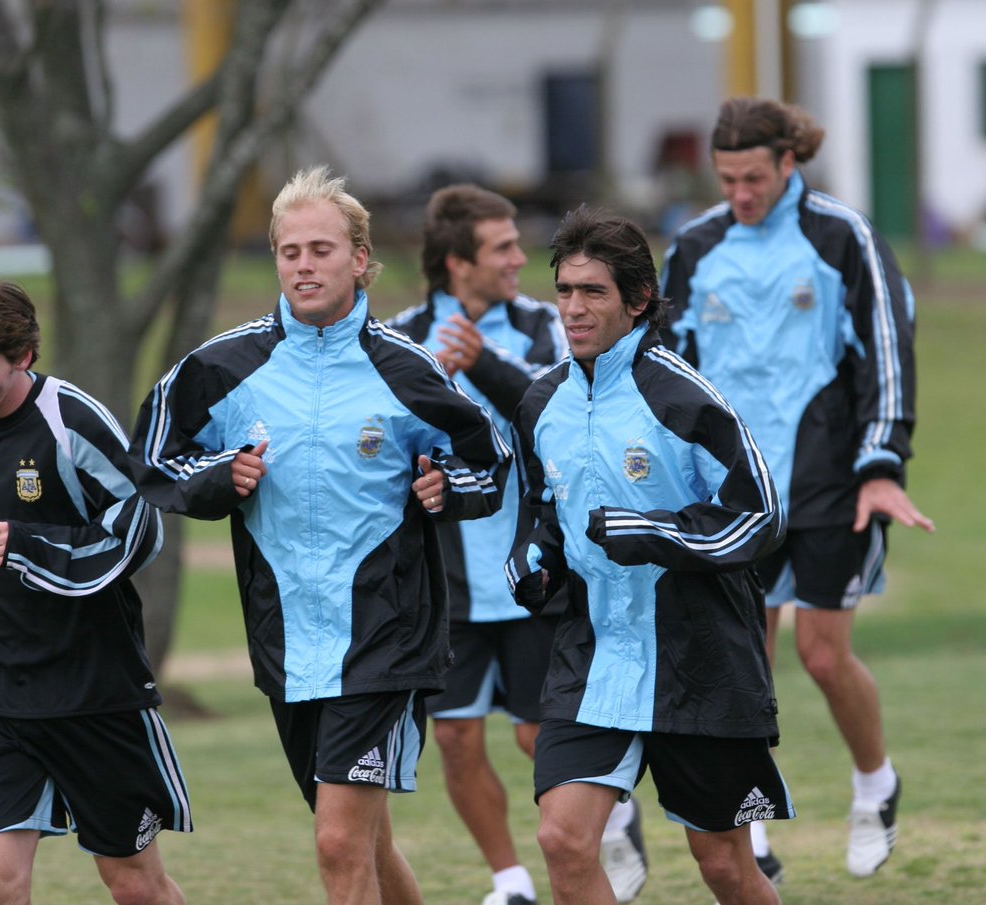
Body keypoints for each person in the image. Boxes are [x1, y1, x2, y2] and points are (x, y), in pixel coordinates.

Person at [129, 165, 512, 905]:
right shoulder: (221, 366)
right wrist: (219, 479)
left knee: (339, 842)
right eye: (290, 250)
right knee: (365, 840)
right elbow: (149, 458)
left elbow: (486, 463)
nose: (304, 265)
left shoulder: (407, 369)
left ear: (361, 260)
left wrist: (444, 489)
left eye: (322, 249)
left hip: (385, 636)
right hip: (285, 638)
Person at [660, 97, 935, 881]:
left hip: (829, 483)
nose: (741, 192)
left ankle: (875, 783)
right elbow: (665, 370)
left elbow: (888, 346)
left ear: (789, 164)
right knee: (744, 666)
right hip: (736, 492)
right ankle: (751, 834)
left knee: (820, 655)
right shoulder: (695, 247)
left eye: (754, 176)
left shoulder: (841, 238)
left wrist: (882, 463)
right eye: (727, 178)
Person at [505, 207, 793, 905]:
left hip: (698, 656)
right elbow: (542, 509)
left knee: (725, 866)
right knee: (563, 839)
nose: (573, 307)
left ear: (637, 301)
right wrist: (530, 560)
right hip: (592, 654)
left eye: (593, 292)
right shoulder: (541, 402)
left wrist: (655, 532)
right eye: (565, 290)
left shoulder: (684, 398)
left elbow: (761, 514)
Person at [0, 273, 189, 905]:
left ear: (22, 356)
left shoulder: (72, 423)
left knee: (133, 884)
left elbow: (139, 532)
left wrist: (34, 547)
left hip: (93, 688)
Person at [388, 185, 646, 905]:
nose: (519, 259)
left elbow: (557, 406)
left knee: (541, 735)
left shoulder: (545, 324)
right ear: (454, 262)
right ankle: (509, 879)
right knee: (456, 742)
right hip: (450, 586)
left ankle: (610, 819)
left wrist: (482, 365)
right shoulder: (402, 337)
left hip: (536, 573)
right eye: (502, 246)